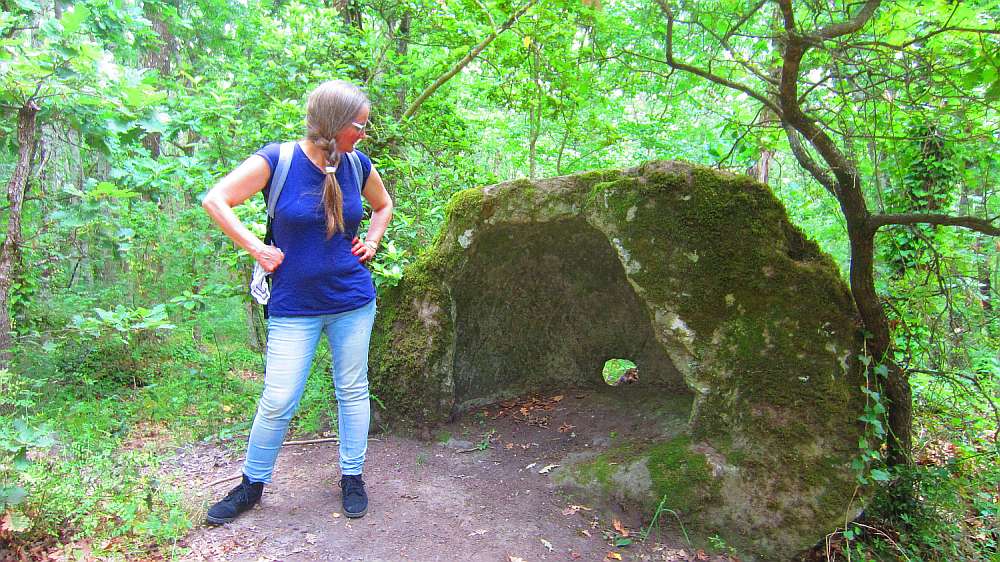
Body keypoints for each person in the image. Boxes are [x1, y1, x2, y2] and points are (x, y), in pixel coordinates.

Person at [201, 80, 392, 524]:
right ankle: (252, 484)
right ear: (333, 124)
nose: (364, 133)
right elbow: (216, 199)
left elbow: (382, 206)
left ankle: (352, 477)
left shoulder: (358, 164)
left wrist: (374, 242)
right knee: (279, 397)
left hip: (352, 299)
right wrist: (256, 248)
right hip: (293, 305)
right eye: (359, 126)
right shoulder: (278, 160)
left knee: (352, 390)